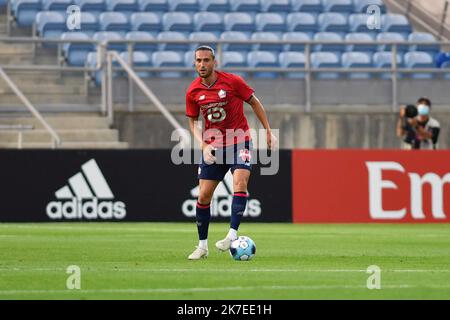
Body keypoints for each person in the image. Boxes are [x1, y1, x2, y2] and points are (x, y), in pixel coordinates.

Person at [185, 45, 276, 260]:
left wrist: (268, 129)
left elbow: (254, 102)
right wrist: (203, 144)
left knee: (240, 183)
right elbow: (192, 122)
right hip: (213, 147)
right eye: (198, 60)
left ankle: (232, 235)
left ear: (215, 62)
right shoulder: (193, 91)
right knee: (204, 196)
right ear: (194, 63)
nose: (202, 64)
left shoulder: (233, 81)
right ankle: (202, 246)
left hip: (239, 140)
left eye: (206, 60)